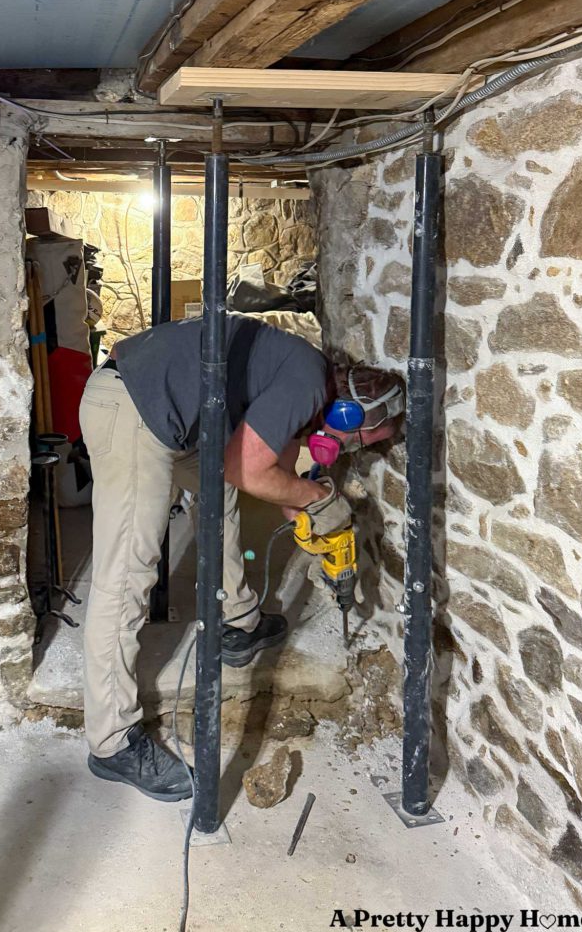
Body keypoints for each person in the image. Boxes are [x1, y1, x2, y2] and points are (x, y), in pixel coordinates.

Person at [78, 314, 403, 801]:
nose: (352, 450)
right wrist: (318, 496)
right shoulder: (306, 383)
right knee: (126, 576)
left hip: (162, 410)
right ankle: (111, 742)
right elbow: (246, 467)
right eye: (361, 442)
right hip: (132, 409)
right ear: (350, 414)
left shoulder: (305, 380)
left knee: (221, 498)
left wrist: (307, 507)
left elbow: (271, 472)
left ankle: (240, 621)